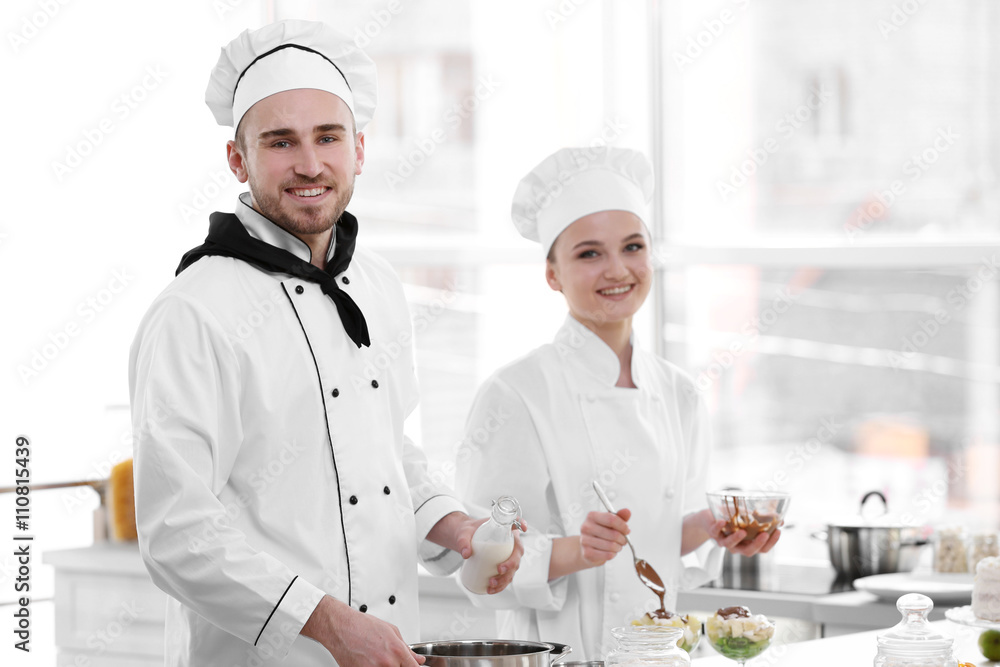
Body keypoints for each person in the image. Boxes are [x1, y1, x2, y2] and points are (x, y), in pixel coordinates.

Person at [129, 20, 521, 667]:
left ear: (360, 149)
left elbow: (386, 447)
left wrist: (453, 524)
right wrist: (325, 622)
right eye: (281, 142)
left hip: (394, 648)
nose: (309, 164)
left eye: (327, 137)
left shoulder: (378, 284)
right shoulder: (193, 312)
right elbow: (177, 530)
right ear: (238, 158)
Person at [455, 147, 780, 660]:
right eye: (589, 253)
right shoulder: (516, 394)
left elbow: (654, 543)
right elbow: (479, 566)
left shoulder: (679, 394)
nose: (617, 270)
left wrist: (710, 528)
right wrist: (575, 551)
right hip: (557, 657)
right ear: (552, 274)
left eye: (633, 247)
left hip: (659, 651)